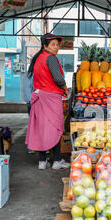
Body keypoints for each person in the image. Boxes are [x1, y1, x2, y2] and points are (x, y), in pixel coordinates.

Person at [25, 33, 70, 170]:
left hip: (38, 97)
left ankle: (42, 161)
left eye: (57, 45)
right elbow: (57, 78)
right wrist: (65, 87)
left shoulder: (38, 58)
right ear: (45, 45)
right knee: (55, 128)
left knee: (41, 129)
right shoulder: (51, 58)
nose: (56, 47)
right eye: (53, 45)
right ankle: (57, 160)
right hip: (50, 98)